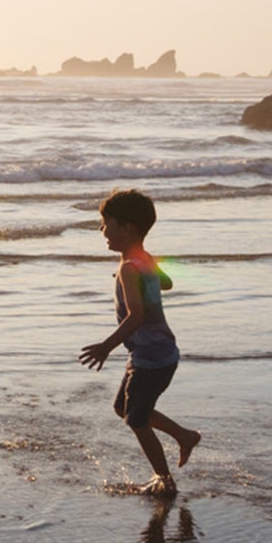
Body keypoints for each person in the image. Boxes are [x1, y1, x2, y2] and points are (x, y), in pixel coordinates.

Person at [77, 188, 200, 493]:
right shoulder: (142, 261)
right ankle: (184, 436)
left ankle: (164, 479)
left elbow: (136, 316)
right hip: (158, 353)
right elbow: (168, 283)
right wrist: (148, 274)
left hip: (151, 357)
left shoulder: (129, 268)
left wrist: (106, 346)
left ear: (127, 228)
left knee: (136, 420)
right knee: (124, 408)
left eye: (106, 224)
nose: (102, 230)